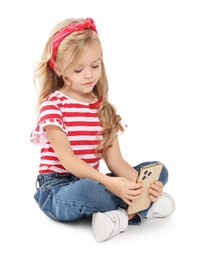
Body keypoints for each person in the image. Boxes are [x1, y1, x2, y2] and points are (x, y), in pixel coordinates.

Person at [30, 17, 175, 242]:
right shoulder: (53, 105)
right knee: (88, 190)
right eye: (78, 69)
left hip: (96, 179)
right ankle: (142, 207)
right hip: (57, 188)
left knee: (159, 170)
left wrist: (140, 182)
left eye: (95, 65)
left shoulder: (103, 109)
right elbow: (68, 161)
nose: (89, 75)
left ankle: (121, 213)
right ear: (59, 68)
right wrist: (113, 184)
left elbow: (115, 163)